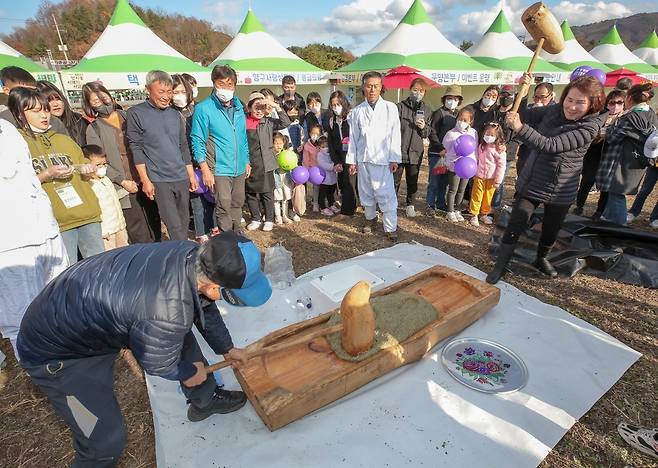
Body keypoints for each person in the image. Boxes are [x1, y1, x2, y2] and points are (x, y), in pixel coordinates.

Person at [17, 232, 272, 467]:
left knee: (177, 336)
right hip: (58, 355)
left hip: (84, 313)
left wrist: (226, 348)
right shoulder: (164, 311)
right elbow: (158, 361)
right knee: (104, 438)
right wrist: (185, 372)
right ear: (212, 286)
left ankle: (203, 400)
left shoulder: (191, 256)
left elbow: (202, 306)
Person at [486, 74, 606, 284]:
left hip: (562, 187)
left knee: (551, 229)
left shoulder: (589, 127)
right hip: (534, 180)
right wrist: (523, 93)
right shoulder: (553, 110)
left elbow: (550, 145)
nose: (572, 107)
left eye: (580, 102)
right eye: (569, 100)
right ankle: (501, 264)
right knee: (516, 222)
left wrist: (520, 128)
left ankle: (540, 258)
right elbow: (524, 114)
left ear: (592, 104)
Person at [0, 119, 69, 364]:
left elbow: (27, 178)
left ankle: (69, 356)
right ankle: (43, 371)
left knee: (58, 299)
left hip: (44, 229)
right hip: (10, 245)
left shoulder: (6, 128)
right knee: (22, 316)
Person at [10, 87, 104, 263]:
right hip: (55, 223)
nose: (44, 115)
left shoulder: (63, 139)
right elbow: (16, 186)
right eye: (36, 111)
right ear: (19, 113)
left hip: (87, 215)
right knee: (66, 274)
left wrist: (87, 169)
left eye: (45, 110)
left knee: (99, 268)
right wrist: (46, 174)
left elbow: (83, 165)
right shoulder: (17, 145)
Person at [83, 81, 161, 244]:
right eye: (96, 101)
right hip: (123, 185)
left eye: (103, 97)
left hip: (146, 177)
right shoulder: (94, 129)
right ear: (89, 104)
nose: (103, 102)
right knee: (136, 226)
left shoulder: (128, 116)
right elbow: (97, 161)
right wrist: (122, 181)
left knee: (154, 218)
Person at [127, 70, 197, 241]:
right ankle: (179, 258)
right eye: (161, 92)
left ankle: (181, 253)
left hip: (180, 175)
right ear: (148, 90)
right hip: (159, 178)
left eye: (169, 92)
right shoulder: (136, 113)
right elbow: (136, 148)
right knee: (173, 224)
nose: (166, 97)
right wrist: (145, 180)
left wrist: (191, 175)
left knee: (183, 220)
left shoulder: (174, 114)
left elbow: (183, 146)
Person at [191, 65, 249, 234]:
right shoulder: (204, 108)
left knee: (238, 202)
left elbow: (242, 137)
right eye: (221, 84)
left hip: (238, 166)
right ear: (214, 84)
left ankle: (237, 232)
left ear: (235, 86)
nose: (226, 88)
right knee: (223, 203)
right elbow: (197, 140)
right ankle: (226, 236)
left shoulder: (239, 107)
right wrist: (205, 170)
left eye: (230, 84)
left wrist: (246, 161)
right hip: (219, 167)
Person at [346, 71, 402, 242]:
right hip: (363, 158)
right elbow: (353, 138)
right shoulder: (357, 111)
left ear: (381, 88)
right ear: (363, 87)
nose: (372, 89)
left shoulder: (390, 108)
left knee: (385, 193)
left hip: (382, 159)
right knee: (366, 193)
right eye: (369, 86)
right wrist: (352, 160)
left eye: (376, 86)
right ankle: (370, 219)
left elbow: (395, 134)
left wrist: (394, 157)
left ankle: (391, 227)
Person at [597, 83, 658, 225]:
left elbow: (612, 137)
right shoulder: (651, 115)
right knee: (616, 193)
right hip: (638, 161)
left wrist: (609, 129)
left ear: (629, 97)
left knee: (616, 193)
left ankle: (619, 226)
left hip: (619, 161)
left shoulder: (630, 117)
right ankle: (606, 220)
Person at [172, 74, 217, 243]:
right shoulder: (171, 114)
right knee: (197, 200)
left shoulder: (199, 108)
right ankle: (200, 232)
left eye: (183, 91)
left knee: (212, 197)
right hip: (186, 162)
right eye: (176, 92)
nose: (180, 95)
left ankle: (214, 226)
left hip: (207, 158)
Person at [573, 89, 626, 218]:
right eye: (612, 103)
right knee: (587, 180)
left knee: (605, 187)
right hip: (594, 154)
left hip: (611, 158)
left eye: (619, 103)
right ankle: (579, 206)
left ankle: (600, 211)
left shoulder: (625, 119)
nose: (615, 106)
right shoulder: (600, 115)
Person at [244, 92, 291, 231]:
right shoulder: (242, 121)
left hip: (266, 162)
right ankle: (255, 218)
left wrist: (276, 106)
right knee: (250, 193)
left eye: (262, 107)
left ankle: (269, 219)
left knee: (267, 193)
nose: (259, 111)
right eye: (256, 107)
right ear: (249, 107)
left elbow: (285, 122)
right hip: (249, 162)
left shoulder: (268, 121)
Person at [395, 78, 432, 218]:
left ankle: (410, 204)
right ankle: (392, 202)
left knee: (412, 180)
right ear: (410, 89)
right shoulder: (400, 107)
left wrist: (423, 127)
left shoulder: (427, 110)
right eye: (415, 90)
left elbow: (428, 132)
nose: (418, 93)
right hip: (398, 150)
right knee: (395, 179)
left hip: (416, 151)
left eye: (421, 91)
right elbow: (392, 128)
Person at [83, 145, 129, 251]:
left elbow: (112, 197)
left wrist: (125, 191)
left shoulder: (106, 179)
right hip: (107, 233)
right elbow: (93, 210)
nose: (102, 167)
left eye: (104, 164)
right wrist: (102, 230)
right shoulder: (89, 185)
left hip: (120, 226)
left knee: (125, 254)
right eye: (98, 165)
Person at [0, 66, 69, 135]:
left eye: (34, 90)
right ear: (7, 90)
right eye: (23, 91)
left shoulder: (53, 121)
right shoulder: (3, 120)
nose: (30, 94)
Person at [427, 84, 462, 216]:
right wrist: (440, 148)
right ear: (444, 99)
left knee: (444, 182)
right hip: (438, 155)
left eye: (455, 99)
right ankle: (430, 205)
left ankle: (440, 204)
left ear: (459, 101)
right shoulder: (438, 113)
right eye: (449, 98)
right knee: (435, 181)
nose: (452, 101)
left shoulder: (459, 115)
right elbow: (432, 133)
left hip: (451, 156)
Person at [443, 106, 478, 223]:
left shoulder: (473, 133)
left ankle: (457, 209)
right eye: (460, 119)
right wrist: (448, 163)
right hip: (454, 166)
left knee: (462, 190)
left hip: (468, 167)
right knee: (453, 189)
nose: (461, 122)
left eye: (465, 120)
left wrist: (475, 162)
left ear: (470, 121)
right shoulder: (451, 134)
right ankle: (450, 211)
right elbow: (445, 150)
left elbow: (474, 148)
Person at [515, 82, 557, 177]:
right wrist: (524, 90)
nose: (539, 100)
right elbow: (520, 117)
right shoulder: (530, 108)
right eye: (536, 97)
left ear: (551, 96)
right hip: (526, 152)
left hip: (543, 155)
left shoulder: (556, 111)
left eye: (542, 97)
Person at [469, 123, 506, 227]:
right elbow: (475, 159)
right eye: (487, 133)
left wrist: (498, 180)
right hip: (479, 176)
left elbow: (501, 166)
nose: (488, 136)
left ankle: (484, 213)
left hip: (492, 178)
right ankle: (474, 214)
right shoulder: (481, 146)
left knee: (488, 197)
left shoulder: (499, 150)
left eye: (492, 135)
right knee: (476, 195)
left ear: (497, 136)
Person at [326, 90, 356, 219]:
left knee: (350, 182)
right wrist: (336, 161)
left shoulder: (352, 117)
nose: (336, 108)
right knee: (342, 182)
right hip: (340, 155)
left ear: (344, 103)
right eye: (333, 105)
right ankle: (349, 206)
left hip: (352, 155)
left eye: (338, 104)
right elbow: (331, 143)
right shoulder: (332, 121)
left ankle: (347, 211)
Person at [491, 85, 520, 211]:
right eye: (503, 94)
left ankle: (495, 206)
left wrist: (506, 146)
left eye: (508, 95)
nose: (505, 97)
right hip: (490, 152)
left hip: (505, 155)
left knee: (499, 181)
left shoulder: (516, 115)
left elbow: (519, 137)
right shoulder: (493, 111)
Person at [36, 81, 88, 146]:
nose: (55, 104)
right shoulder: (38, 128)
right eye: (49, 100)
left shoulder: (79, 121)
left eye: (58, 99)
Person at [626, 162, 658, 229]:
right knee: (645, 190)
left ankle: (655, 218)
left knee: (645, 190)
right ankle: (633, 212)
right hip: (655, 165)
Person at [272, 133, 294, 224]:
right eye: (276, 143)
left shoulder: (285, 153)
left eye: (280, 143)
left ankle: (285, 215)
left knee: (285, 198)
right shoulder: (271, 154)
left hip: (285, 179)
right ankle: (278, 217)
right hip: (276, 179)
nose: (278, 145)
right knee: (276, 199)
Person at [316, 135, 339, 216]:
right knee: (323, 193)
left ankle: (331, 204)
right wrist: (333, 166)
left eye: (326, 145)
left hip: (332, 177)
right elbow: (323, 164)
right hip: (324, 178)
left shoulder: (331, 153)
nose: (325, 147)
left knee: (331, 192)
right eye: (323, 146)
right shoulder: (320, 155)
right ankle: (322, 207)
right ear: (319, 146)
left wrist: (335, 165)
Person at [303, 124, 323, 212]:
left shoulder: (323, 143)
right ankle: (315, 203)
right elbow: (306, 159)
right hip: (314, 170)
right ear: (309, 133)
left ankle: (324, 202)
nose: (314, 135)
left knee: (325, 187)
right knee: (316, 187)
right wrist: (307, 170)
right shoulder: (307, 146)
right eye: (312, 133)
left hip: (323, 168)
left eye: (317, 133)